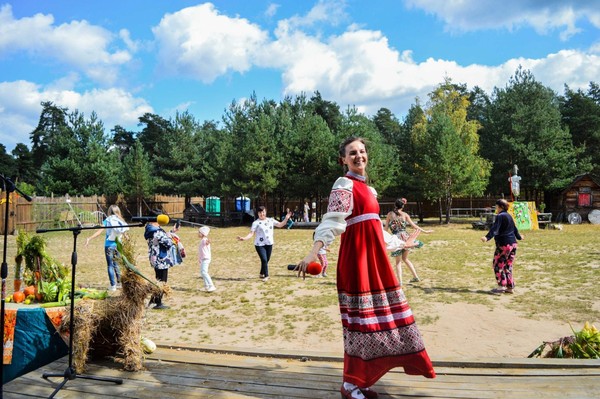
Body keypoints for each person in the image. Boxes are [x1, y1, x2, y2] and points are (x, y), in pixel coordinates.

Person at [297, 137, 436, 399]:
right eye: (352, 153)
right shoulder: (344, 184)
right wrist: (313, 252)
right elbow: (332, 222)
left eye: (362, 151)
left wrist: (402, 241)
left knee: (384, 321)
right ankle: (349, 384)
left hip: (376, 260)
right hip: (357, 260)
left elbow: (376, 229)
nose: (359, 156)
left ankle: (363, 379)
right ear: (344, 160)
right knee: (361, 325)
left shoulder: (369, 191)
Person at [384, 198, 432, 285]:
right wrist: (425, 231)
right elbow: (414, 226)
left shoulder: (389, 214)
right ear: (402, 206)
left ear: (395, 205)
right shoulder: (405, 215)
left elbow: (386, 229)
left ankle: (400, 282)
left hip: (396, 239)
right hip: (406, 238)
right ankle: (415, 276)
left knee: (398, 262)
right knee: (405, 259)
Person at [237, 206, 292, 282]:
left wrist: (286, 218)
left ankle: (261, 273)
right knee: (264, 259)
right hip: (259, 245)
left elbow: (280, 224)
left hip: (269, 243)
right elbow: (251, 233)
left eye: (263, 212)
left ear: (265, 212)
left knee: (266, 260)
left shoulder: (270, 220)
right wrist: (244, 238)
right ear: (258, 213)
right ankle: (266, 275)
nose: (261, 214)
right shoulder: (255, 223)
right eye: (260, 212)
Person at [481, 199, 524, 295]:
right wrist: (519, 237)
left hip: (504, 245)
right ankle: (510, 287)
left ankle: (501, 287)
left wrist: (487, 237)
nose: (495, 208)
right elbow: (514, 229)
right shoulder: (509, 216)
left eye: (496, 206)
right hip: (513, 244)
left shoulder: (500, 216)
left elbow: (495, 228)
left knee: (497, 264)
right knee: (508, 265)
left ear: (500, 207)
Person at [85, 205, 129, 291]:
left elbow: (99, 231)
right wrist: (128, 240)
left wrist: (89, 238)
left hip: (109, 245)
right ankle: (119, 283)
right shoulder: (120, 220)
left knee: (110, 265)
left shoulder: (107, 220)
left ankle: (113, 285)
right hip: (118, 245)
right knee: (116, 264)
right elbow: (125, 233)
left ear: (109, 212)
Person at [144, 217, 176, 309]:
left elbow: (161, 238)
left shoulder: (149, 229)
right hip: (161, 259)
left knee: (158, 280)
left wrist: (171, 231)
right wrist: (171, 237)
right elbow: (168, 243)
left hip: (155, 258)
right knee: (162, 281)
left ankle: (154, 300)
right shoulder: (157, 231)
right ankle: (157, 302)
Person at [198, 226, 216, 292]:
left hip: (206, 258)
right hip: (203, 259)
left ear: (203, 234)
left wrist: (208, 241)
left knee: (204, 272)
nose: (198, 233)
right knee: (202, 272)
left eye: (199, 232)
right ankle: (206, 286)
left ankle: (211, 285)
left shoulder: (204, 240)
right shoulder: (202, 240)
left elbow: (207, 242)